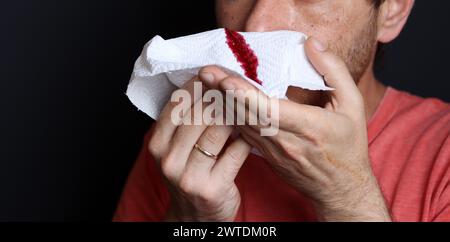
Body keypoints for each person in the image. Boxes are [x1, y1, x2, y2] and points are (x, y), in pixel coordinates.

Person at [114, 0, 450, 222]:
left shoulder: (441, 157)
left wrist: (348, 198)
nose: (256, 25)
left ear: (391, 11)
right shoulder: (181, 149)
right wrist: (191, 222)